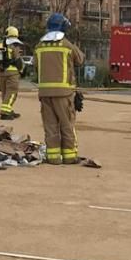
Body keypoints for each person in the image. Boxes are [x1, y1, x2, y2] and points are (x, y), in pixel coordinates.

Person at [34, 13, 85, 165]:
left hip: (44, 93)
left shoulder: (39, 46)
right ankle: (69, 156)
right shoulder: (67, 45)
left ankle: (53, 157)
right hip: (64, 93)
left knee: (50, 126)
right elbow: (80, 59)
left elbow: (36, 66)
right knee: (66, 124)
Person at [0, 26, 24, 120]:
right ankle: (5, 112)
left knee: (5, 93)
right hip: (12, 73)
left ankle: (8, 110)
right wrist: (21, 70)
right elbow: (17, 59)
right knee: (12, 92)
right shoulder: (15, 45)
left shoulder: (1, 44)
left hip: (2, 72)